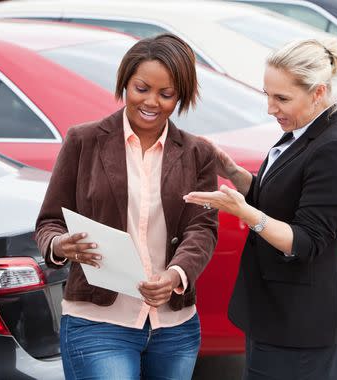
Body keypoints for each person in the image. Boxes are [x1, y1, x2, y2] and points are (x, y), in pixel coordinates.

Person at [35, 33, 218, 380]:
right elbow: (48, 223)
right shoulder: (83, 141)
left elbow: (202, 229)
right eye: (142, 88)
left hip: (174, 326)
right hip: (98, 322)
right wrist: (60, 245)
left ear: (181, 95)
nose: (152, 102)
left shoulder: (198, 154)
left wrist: (176, 275)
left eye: (166, 94)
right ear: (125, 84)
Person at [184, 38, 337, 380]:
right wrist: (234, 173)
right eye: (267, 95)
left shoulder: (335, 149)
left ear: (317, 92)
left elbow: (306, 241)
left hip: (299, 324)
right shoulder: (307, 126)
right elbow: (284, 199)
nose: (270, 108)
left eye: (281, 98)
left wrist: (243, 212)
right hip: (276, 315)